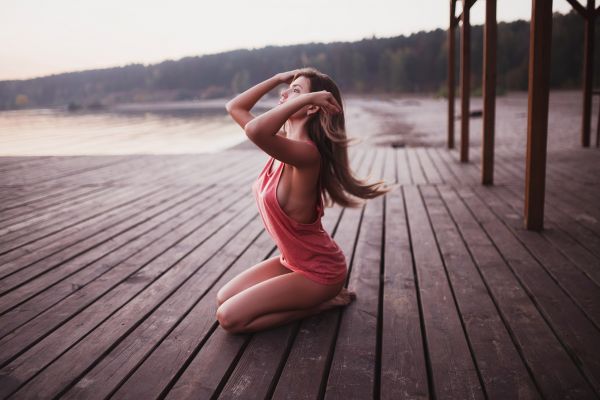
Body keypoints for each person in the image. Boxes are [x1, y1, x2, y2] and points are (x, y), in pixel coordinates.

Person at [216, 67, 389, 334]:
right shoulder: (283, 145)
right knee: (222, 298)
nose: (285, 93)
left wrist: (307, 98)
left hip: (320, 273)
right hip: (292, 262)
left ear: (311, 107)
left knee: (230, 318)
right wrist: (278, 79)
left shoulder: (308, 155)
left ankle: (322, 303)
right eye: (287, 90)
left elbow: (254, 130)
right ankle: (312, 298)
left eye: (295, 91)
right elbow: (234, 107)